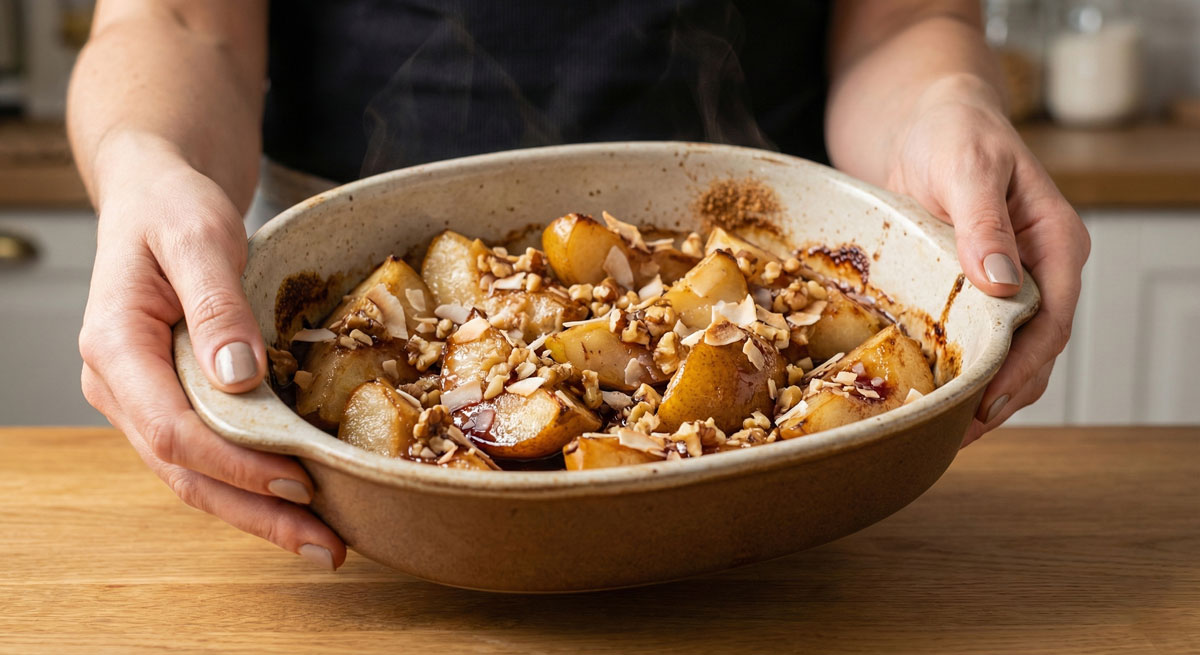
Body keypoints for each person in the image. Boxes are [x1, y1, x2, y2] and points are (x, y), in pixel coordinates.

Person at [69, 0, 1089, 571]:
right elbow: (177, 23)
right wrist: (144, 161)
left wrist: (944, 107)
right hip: (343, 262)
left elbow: (904, 23)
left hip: (774, 271)